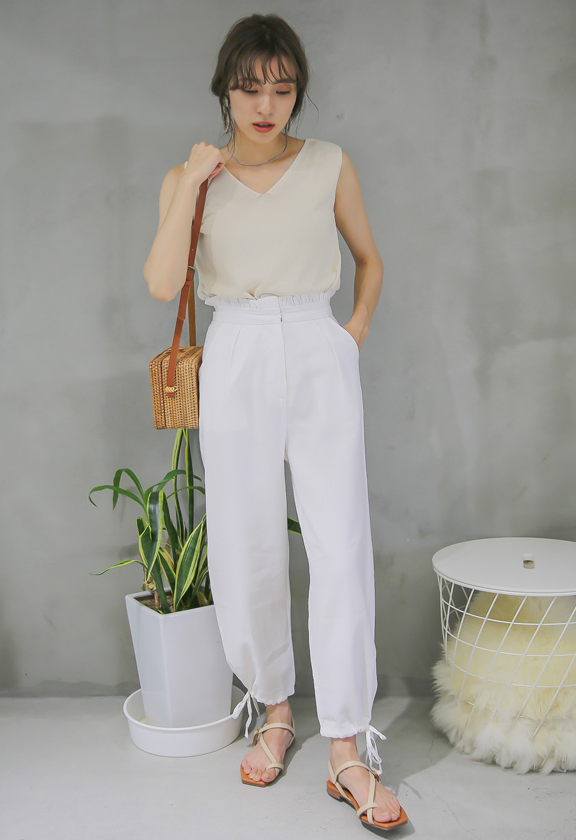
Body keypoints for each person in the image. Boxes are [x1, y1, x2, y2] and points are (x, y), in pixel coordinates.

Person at [144, 13, 407, 831]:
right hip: (237, 351)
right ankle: (275, 709)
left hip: (318, 344)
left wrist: (349, 336)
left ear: (300, 94)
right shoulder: (193, 177)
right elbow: (162, 283)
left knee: (340, 543)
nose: (266, 105)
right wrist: (194, 179)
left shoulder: (329, 164)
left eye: (283, 89)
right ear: (224, 89)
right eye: (250, 87)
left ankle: (347, 745)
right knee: (244, 540)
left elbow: (370, 260)